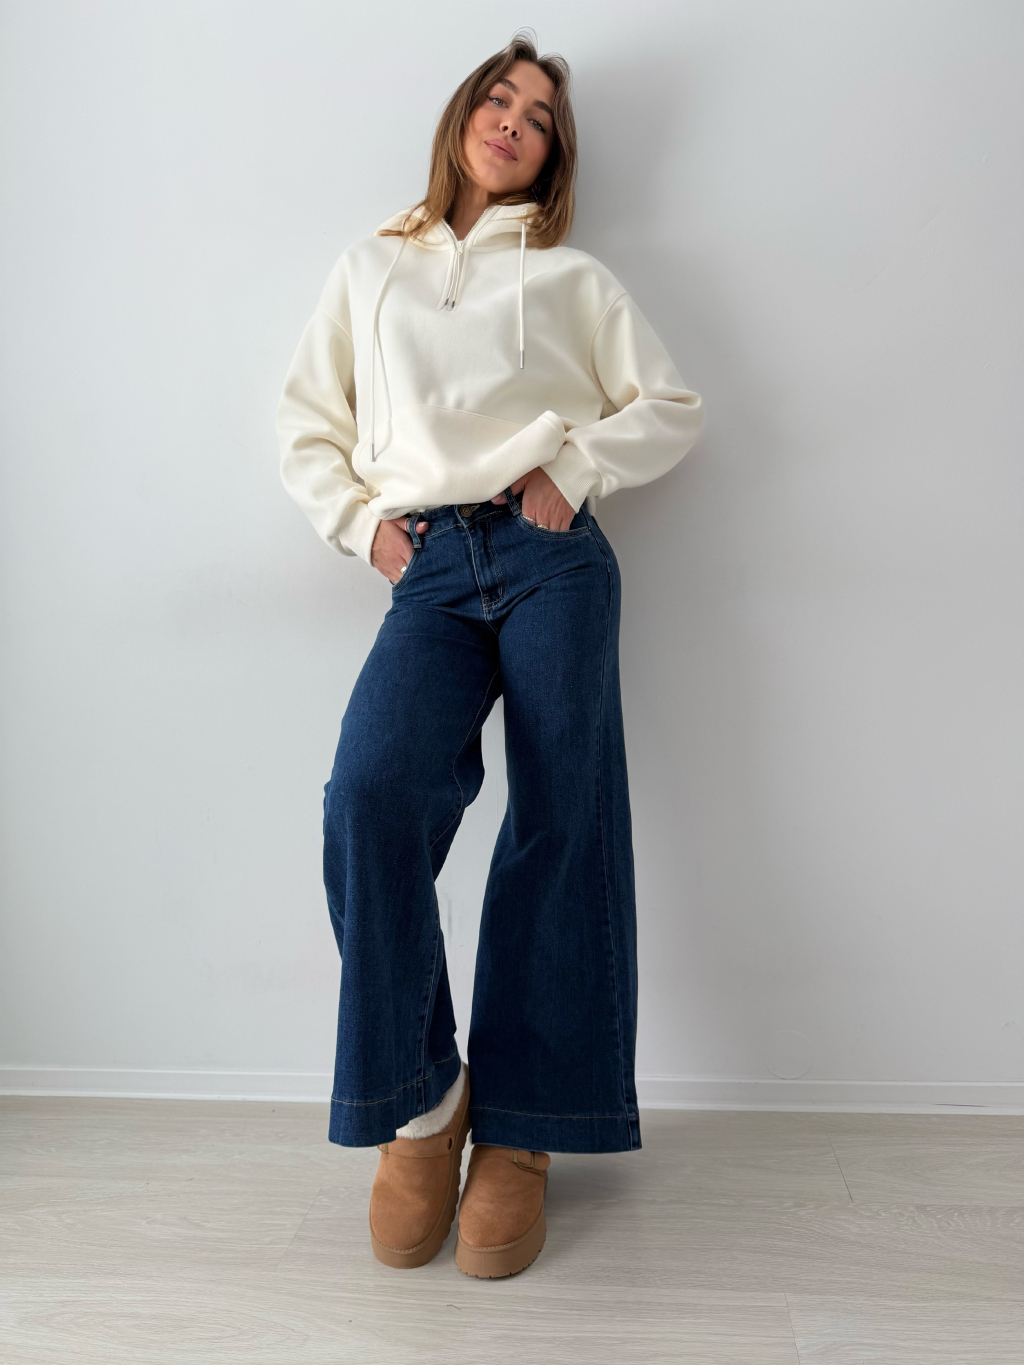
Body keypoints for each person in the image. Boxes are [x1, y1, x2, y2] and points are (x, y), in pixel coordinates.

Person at [276, 30, 703, 1279]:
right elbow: (308, 424)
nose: (515, 118)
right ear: (464, 115)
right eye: (499, 98)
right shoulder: (372, 266)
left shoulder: (571, 278)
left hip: (550, 553)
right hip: (428, 564)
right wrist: (363, 526)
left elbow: (671, 405)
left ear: (553, 155)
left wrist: (575, 465)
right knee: (370, 797)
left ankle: (526, 1128)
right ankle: (425, 1105)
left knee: (562, 820)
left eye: (540, 114)